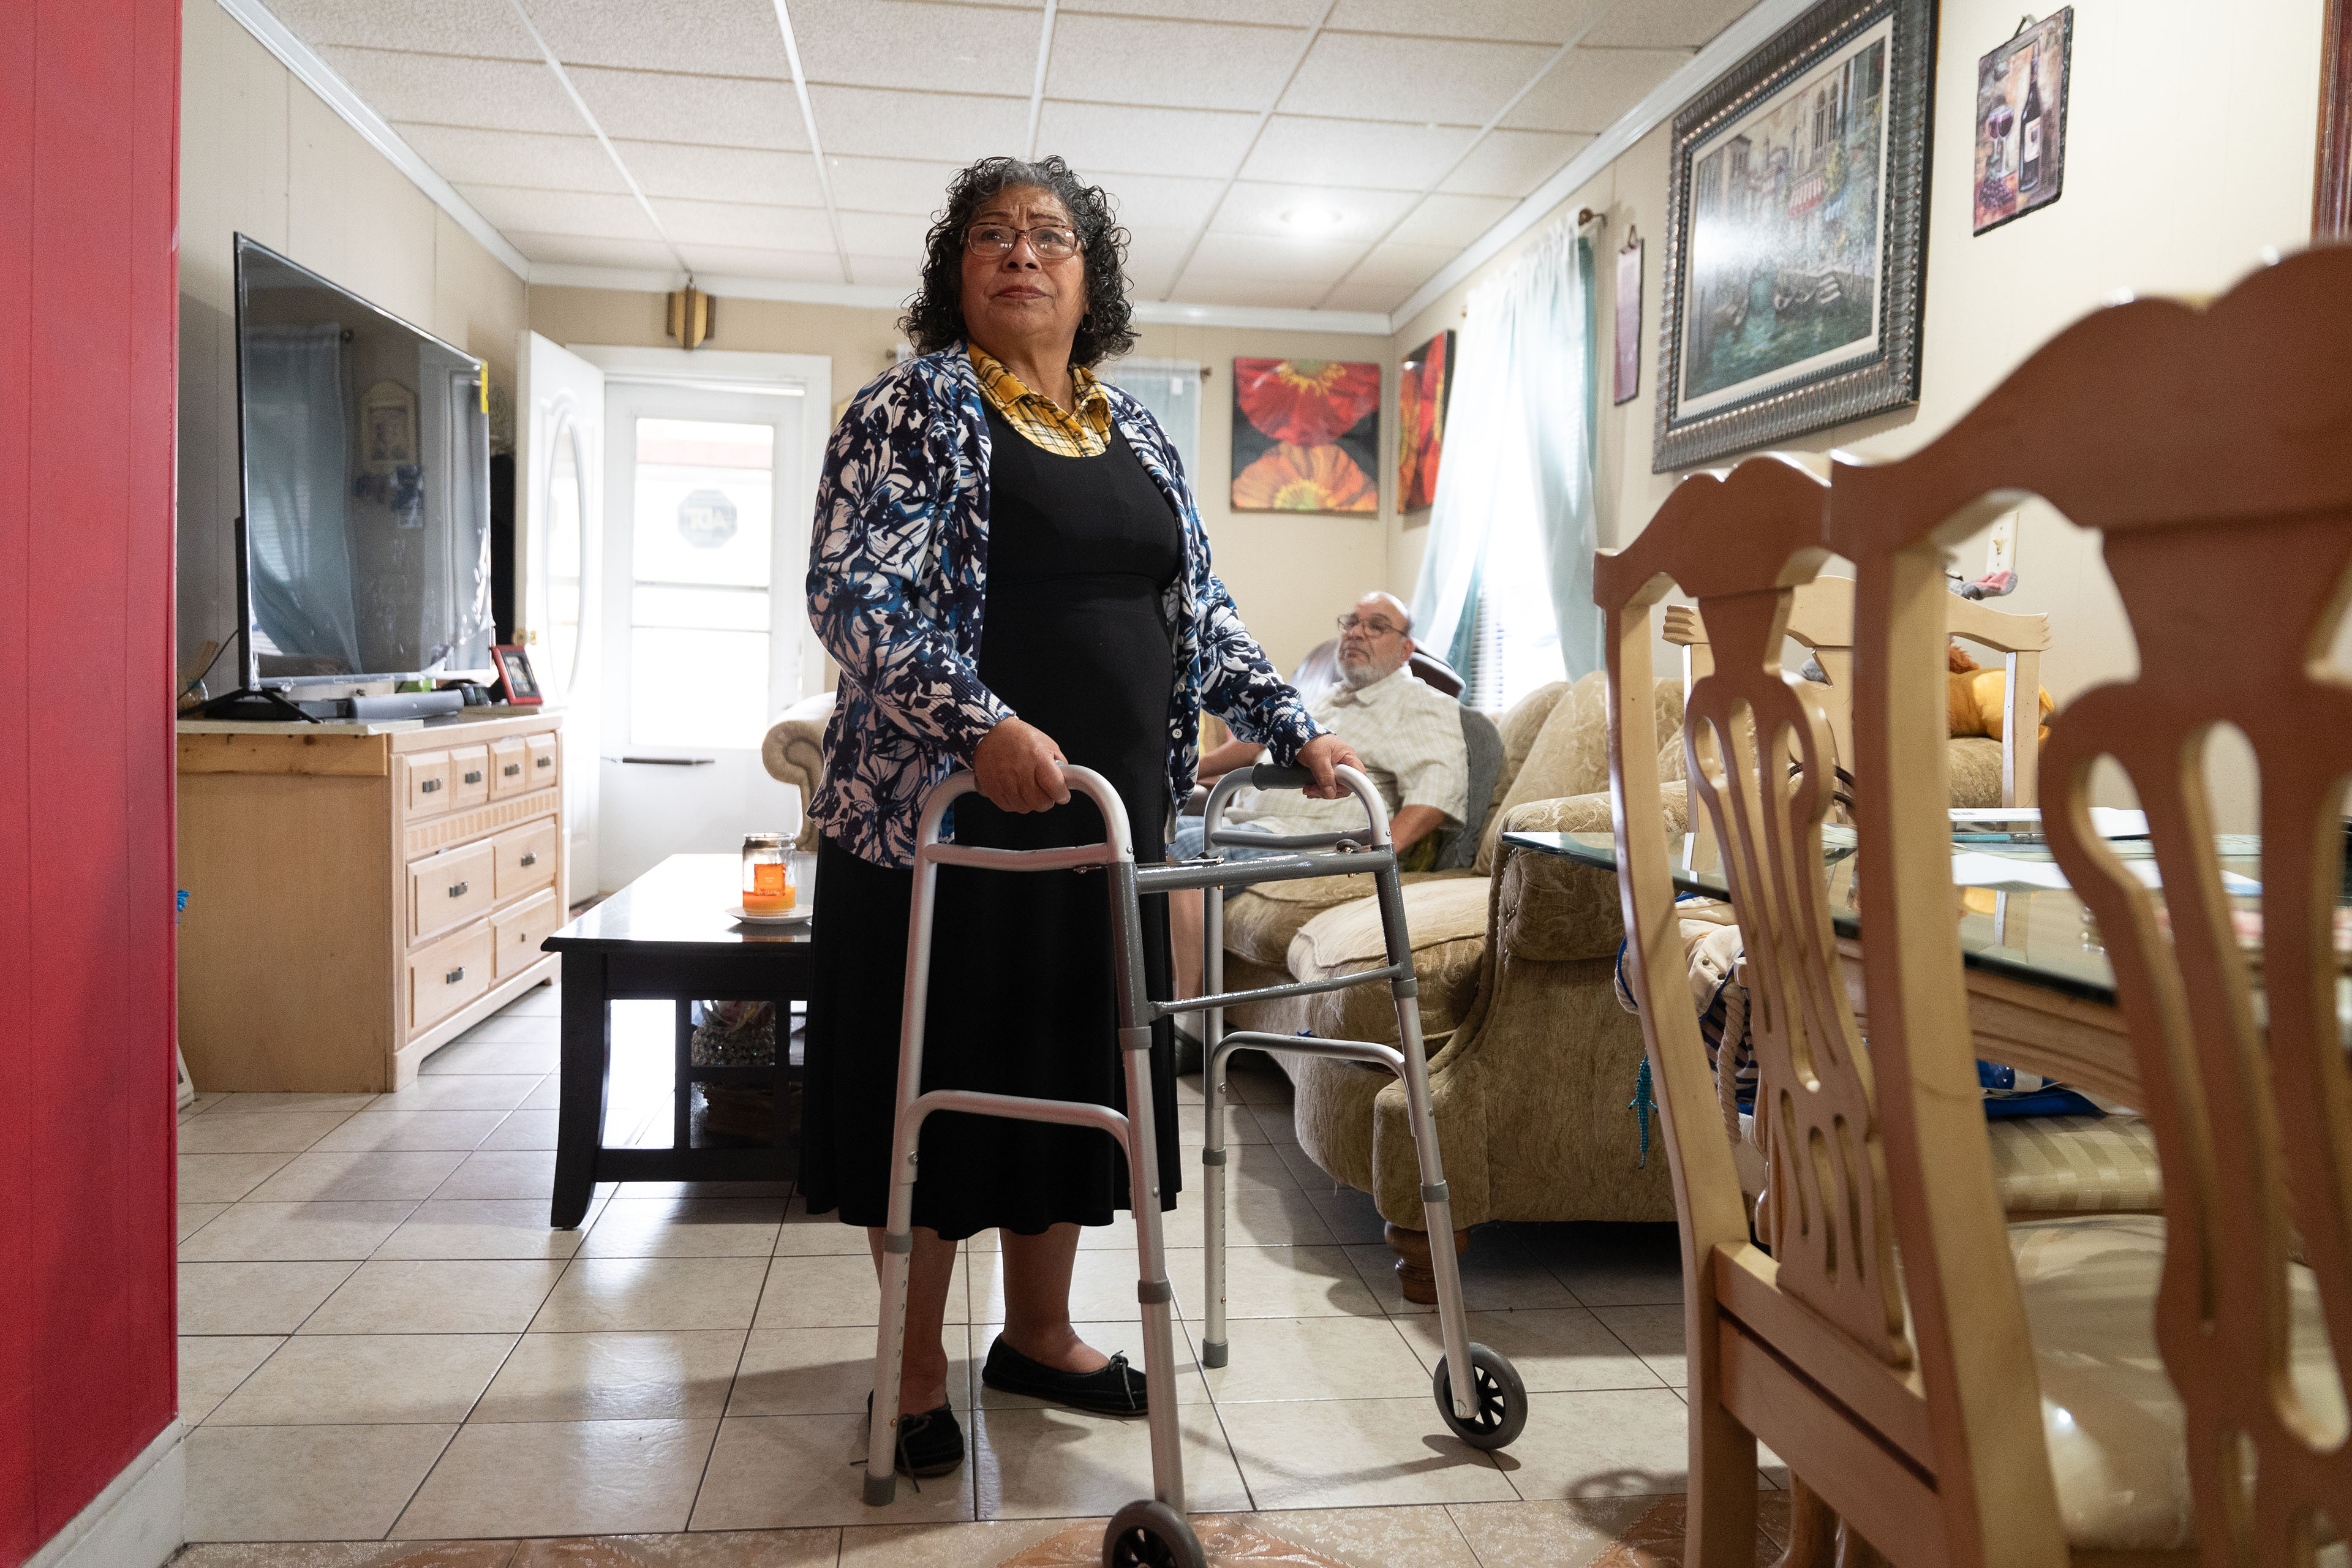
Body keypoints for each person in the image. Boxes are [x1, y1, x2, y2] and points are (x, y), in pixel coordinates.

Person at [801, 154, 1362, 1480]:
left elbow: (1200, 611)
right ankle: (914, 1367)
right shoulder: (910, 409)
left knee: (1062, 1088)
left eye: (1049, 235)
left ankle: (1039, 1334)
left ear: (1087, 275)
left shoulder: (1138, 432)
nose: (1021, 253)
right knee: (934, 1093)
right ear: (955, 272)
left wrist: (1292, 724)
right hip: (943, 827)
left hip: (1101, 836)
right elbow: (856, 597)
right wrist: (978, 723)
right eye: (991, 234)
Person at [1167, 591, 1469, 998]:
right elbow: (1258, 742)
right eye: (1352, 622)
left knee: (1180, 849)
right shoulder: (1324, 696)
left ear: (1406, 650)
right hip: (1244, 824)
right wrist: (1178, 771)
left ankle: (1188, 1016)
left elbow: (1436, 793)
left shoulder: (1422, 703)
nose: (1357, 632)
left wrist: (1377, 853)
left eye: (1376, 626)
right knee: (1144, 837)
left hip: (1308, 838)